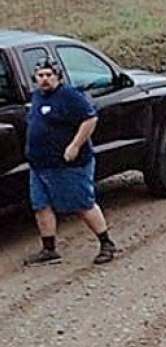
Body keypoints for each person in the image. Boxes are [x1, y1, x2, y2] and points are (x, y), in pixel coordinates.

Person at [23, 58, 116, 266]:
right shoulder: (37, 96)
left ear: (57, 76)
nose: (45, 79)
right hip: (39, 164)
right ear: (35, 78)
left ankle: (106, 243)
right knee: (40, 205)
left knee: (83, 204)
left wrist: (74, 146)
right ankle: (49, 250)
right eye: (41, 75)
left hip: (69, 164)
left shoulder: (70, 96)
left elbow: (90, 119)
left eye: (49, 75)